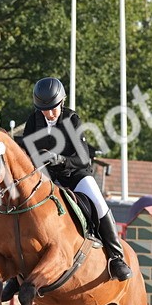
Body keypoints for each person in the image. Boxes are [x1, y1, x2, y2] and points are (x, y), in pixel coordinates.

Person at [22, 76, 131, 281]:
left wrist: (60, 159)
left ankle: (117, 258)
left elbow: (82, 157)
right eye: (45, 109)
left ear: (61, 102)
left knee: (98, 203)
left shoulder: (71, 119)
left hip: (75, 175)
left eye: (53, 107)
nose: (49, 113)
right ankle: (17, 272)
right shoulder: (33, 121)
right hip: (47, 179)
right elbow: (25, 151)